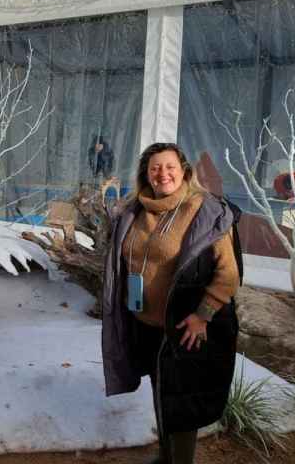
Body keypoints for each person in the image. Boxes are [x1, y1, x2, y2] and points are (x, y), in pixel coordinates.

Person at [102, 142, 242, 464]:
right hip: (145, 324)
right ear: (145, 174)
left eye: (169, 167)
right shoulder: (134, 211)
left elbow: (228, 274)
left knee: (181, 404)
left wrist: (203, 315)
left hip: (185, 325)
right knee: (162, 395)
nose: (162, 174)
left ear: (184, 171)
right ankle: (165, 458)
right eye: (154, 168)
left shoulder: (206, 211)